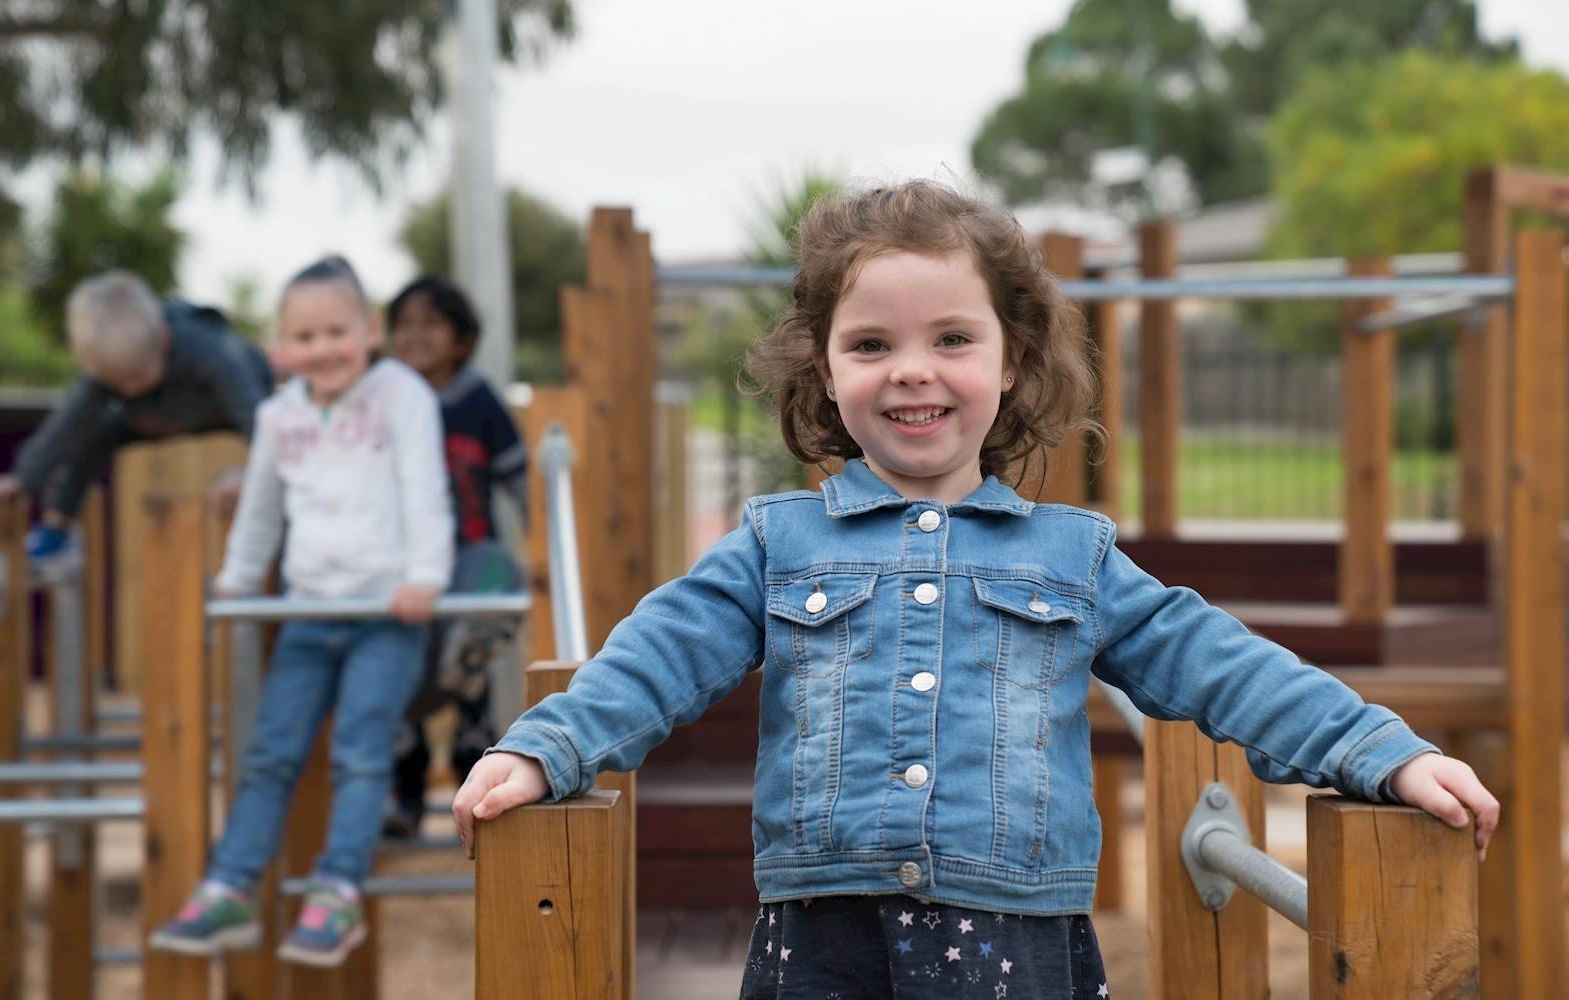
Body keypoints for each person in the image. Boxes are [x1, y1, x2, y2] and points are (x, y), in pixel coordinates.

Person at [450, 182, 1499, 998]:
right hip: (821, 939)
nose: (912, 369)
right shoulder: (780, 543)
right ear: (823, 371)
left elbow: (1218, 663)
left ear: (1011, 362)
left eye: (951, 338)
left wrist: (1378, 749)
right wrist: (549, 743)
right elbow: (658, 654)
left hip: (1016, 944)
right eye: (871, 344)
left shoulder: (1069, 561)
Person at [148, 256, 453, 968]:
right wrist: (236, 580)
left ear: (370, 331)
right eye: (304, 337)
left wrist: (426, 576)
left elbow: (424, 487)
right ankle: (229, 887)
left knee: (358, 748)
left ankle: (338, 888)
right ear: (280, 349)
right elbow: (259, 516)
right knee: (269, 751)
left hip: (386, 611)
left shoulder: (399, 395)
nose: (322, 350)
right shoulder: (277, 416)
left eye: (336, 332)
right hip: (310, 611)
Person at [0, 270, 271, 554]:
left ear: (164, 340)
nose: (130, 388)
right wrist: (23, 478)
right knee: (91, 433)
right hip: (157, 416)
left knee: (271, 426)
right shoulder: (110, 366)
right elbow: (66, 423)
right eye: (119, 383)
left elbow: (253, 415)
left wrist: (257, 477)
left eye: (138, 376)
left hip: (222, 408)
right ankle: (57, 526)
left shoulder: (208, 350)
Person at [382, 276, 527, 838]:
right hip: (403, 566)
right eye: (405, 325)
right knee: (403, 683)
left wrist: (536, 545)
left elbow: (517, 477)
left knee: (471, 684)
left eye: (430, 325)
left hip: (470, 561)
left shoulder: (478, 401)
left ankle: (478, 799)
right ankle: (407, 800)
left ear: (462, 340)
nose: (415, 335)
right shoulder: (385, 398)